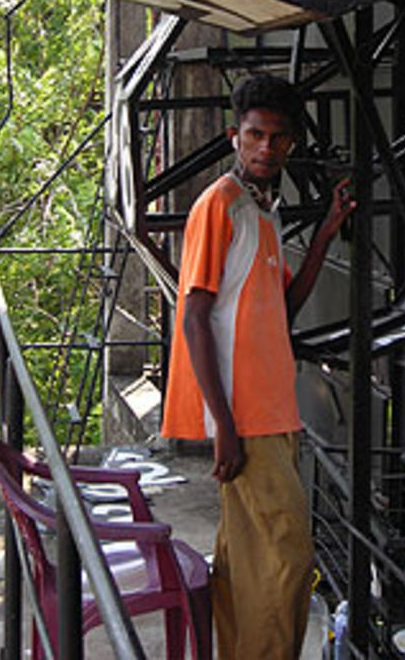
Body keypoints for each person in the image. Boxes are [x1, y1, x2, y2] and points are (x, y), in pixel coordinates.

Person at [161, 73, 355, 660]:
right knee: (288, 557)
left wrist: (324, 235)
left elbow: (284, 311)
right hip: (247, 415)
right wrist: (223, 423)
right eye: (255, 135)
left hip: (276, 409)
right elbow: (193, 317)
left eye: (277, 138)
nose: (266, 147)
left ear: (291, 143)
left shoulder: (261, 210)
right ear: (233, 136)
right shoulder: (219, 204)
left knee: (248, 559)